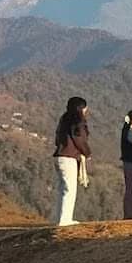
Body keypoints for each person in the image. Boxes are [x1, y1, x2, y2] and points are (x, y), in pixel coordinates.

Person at [52, 96, 91, 226]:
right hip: (69, 157)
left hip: (60, 156)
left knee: (63, 189)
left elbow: (57, 139)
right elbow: (79, 139)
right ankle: (65, 220)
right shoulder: (78, 121)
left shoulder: (64, 119)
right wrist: (86, 152)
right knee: (69, 189)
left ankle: (60, 218)